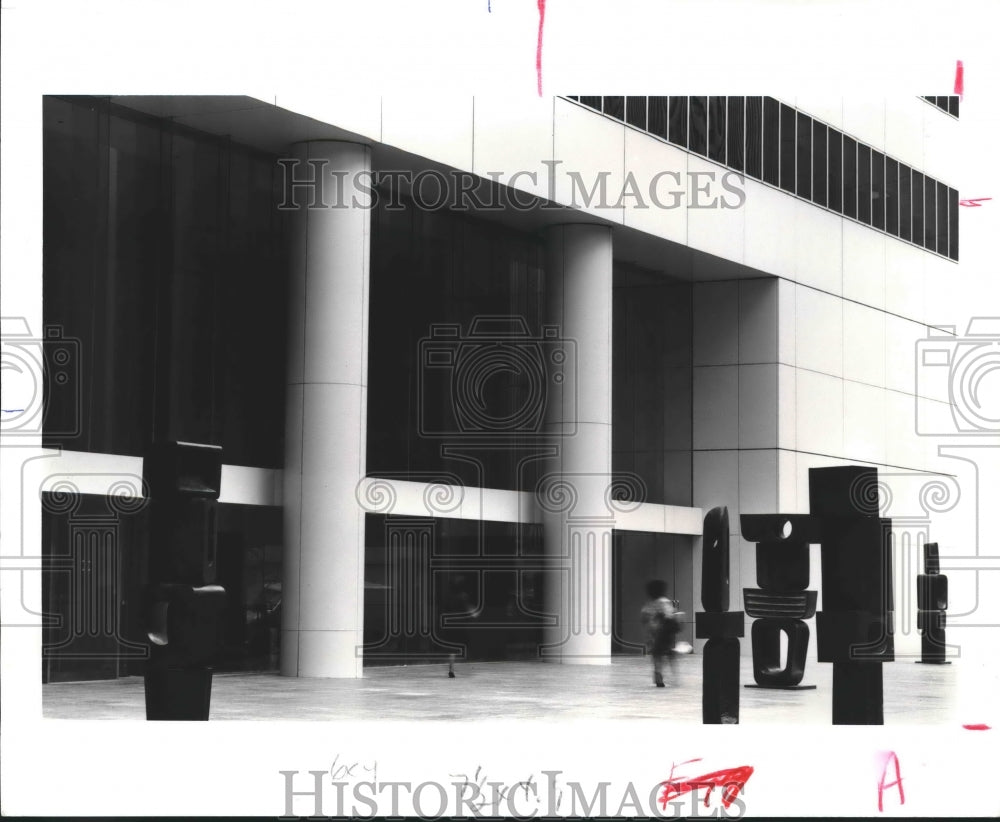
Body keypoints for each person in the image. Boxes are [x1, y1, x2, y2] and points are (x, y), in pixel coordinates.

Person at [641, 579, 682, 687]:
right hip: (664, 633)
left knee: (657, 655)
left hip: (653, 633)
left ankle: (658, 676)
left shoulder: (650, 603)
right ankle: (673, 676)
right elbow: (670, 615)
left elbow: (644, 616)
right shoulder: (664, 601)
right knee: (669, 653)